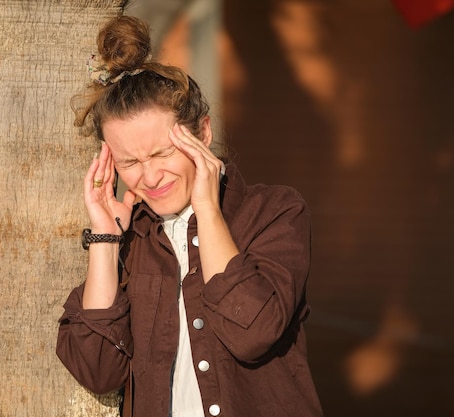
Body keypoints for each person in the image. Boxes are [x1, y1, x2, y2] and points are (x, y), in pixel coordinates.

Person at [56, 15, 323, 417]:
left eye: (163, 153)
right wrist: (106, 240)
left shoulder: (274, 213)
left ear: (202, 134)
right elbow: (97, 368)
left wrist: (207, 209)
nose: (150, 176)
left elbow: (252, 332)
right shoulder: (130, 241)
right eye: (130, 161)